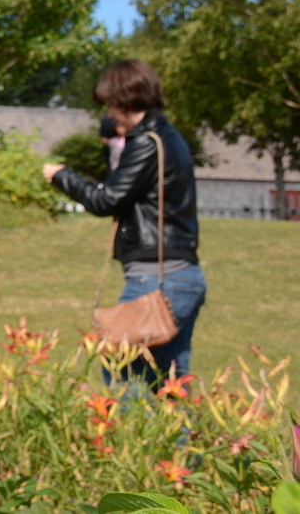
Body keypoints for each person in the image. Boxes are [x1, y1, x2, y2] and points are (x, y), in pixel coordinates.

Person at [43, 60, 204, 382]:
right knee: (170, 383)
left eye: (110, 104)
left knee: (122, 374)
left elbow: (107, 200)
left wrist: (62, 176)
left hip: (156, 279)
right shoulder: (170, 138)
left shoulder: (146, 142)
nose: (110, 114)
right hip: (182, 275)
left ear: (125, 99)